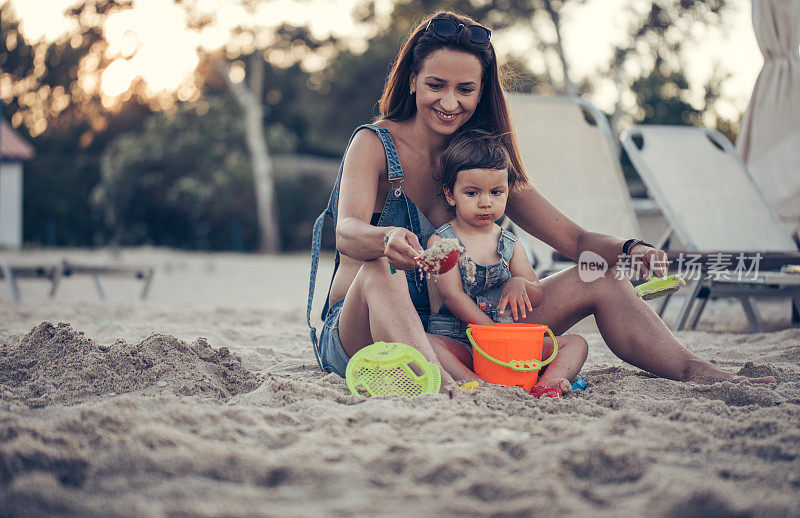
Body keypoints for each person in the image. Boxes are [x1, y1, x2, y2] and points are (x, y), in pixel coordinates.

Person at [306, 11, 775, 392]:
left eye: (465, 89)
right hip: (363, 327)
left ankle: (696, 371)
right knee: (377, 266)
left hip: (466, 330)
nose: (450, 102)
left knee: (600, 272)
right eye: (436, 85)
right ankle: (444, 388)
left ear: (481, 91)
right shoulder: (374, 143)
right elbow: (347, 231)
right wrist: (385, 237)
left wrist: (633, 249)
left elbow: (574, 239)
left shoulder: (484, 163)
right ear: (412, 81)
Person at [425, 128, 587, 394]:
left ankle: (546, 384)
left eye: (496, 192)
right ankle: (474, 382)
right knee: (427, 344)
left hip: (507, 343)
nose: (486, 202)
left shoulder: (509, 243)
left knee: (576, 343)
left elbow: (536, 293)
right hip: (461, 341)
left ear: (507, 192)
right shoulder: (443, 242)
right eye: (472, 193)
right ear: (450, 194)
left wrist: (518, 282)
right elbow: (452, 296)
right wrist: (490, 334)